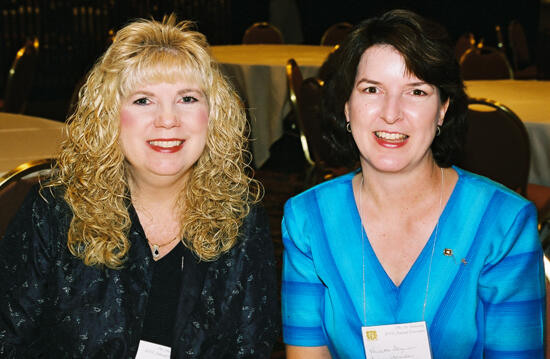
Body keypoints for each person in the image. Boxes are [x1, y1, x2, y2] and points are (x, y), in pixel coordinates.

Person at [0, 16, 279, 358]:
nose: (167, 119)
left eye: (187, 98)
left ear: (214, 114)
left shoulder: (242, 221)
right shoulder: (55, 213)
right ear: (110, 116)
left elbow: (251, 349)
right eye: (143, 100)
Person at [281, 9, 544, 359]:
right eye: (372, 89)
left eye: (417, 92)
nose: (391, 113)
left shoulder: (502, 223)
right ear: (347, 106)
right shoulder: (307, 219)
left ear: (442, 110)